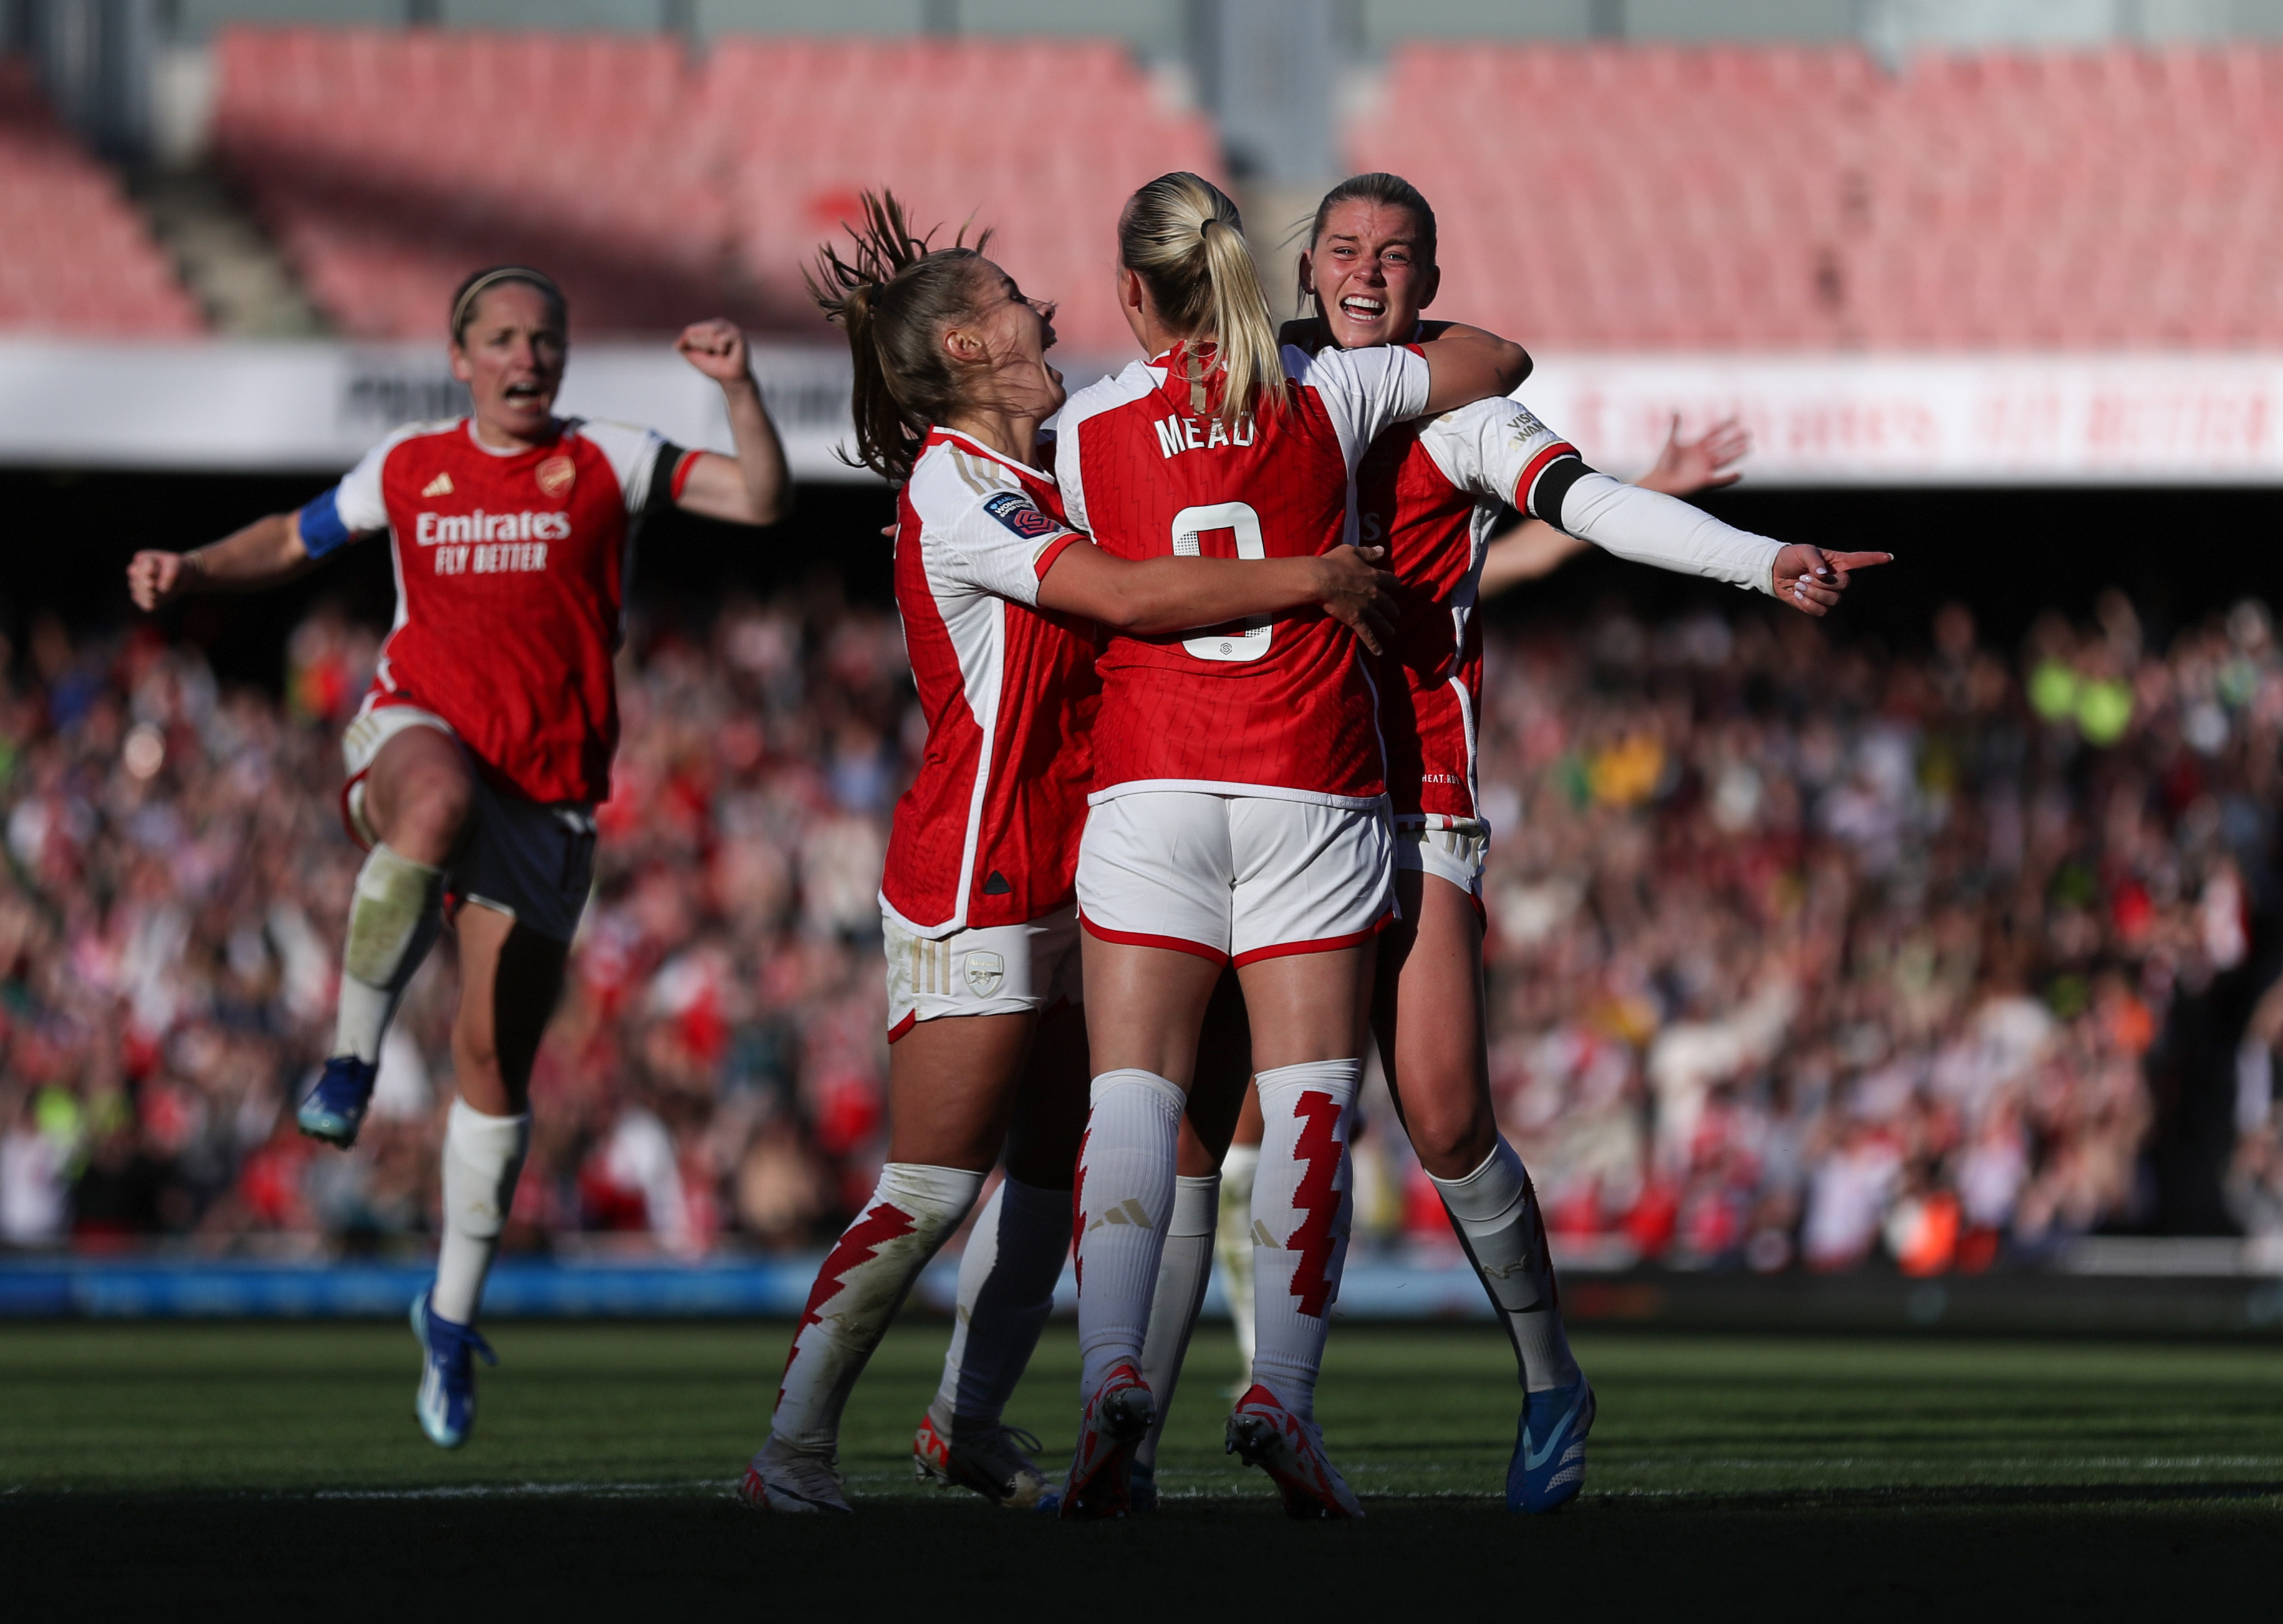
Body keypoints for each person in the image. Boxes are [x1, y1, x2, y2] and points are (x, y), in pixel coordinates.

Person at [1126, 171, 1889, 1514]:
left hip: (1410, 798)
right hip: (1263, 785)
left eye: (1400, 255)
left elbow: (1588, 504)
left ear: (1432, 279)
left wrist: (1758, 560)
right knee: (1204, 1122)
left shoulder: (1464, 415)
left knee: (1443, 1109)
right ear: (1305, 272)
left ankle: (1550, 1382)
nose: (1369, 272)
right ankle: (1125, 1426)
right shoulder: (1256, 388)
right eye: (1347, 250)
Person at [740, 196, 1401, 1514]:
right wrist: (1314, 578)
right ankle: (792, 1451)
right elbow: (1128, 595)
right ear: (968, 351)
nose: (1045, 312)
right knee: (931, 1188)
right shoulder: (955, 482)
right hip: (978, 870)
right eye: (1012, 301)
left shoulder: (1046, 474)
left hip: (1083, 862)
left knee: (1057, 1169)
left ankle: (966, 1427)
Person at [126, 265, 792, 1449]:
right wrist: (194, 568)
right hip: (418, 731)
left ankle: (448, 1316)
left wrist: (741, 391)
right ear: (460, 357)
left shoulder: (606, 462)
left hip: (550, 796)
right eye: (501, 339)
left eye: (544, 340)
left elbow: (759, 502)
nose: (525, 358)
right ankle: (348, 1062)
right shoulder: (408, 467)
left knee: (494, 1065)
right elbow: (292, 536)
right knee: (426, 808)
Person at [1049, 172, 1535, 1520]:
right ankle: (1283, 1399)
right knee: (1314, 1097)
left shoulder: (1083, 428)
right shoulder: (1338, 393)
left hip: (1149, 782)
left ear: (1135, 298)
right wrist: (1378, 324)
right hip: (1307, 783)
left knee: (1137, 1101)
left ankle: (1107, 1388)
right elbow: (1501, 360)